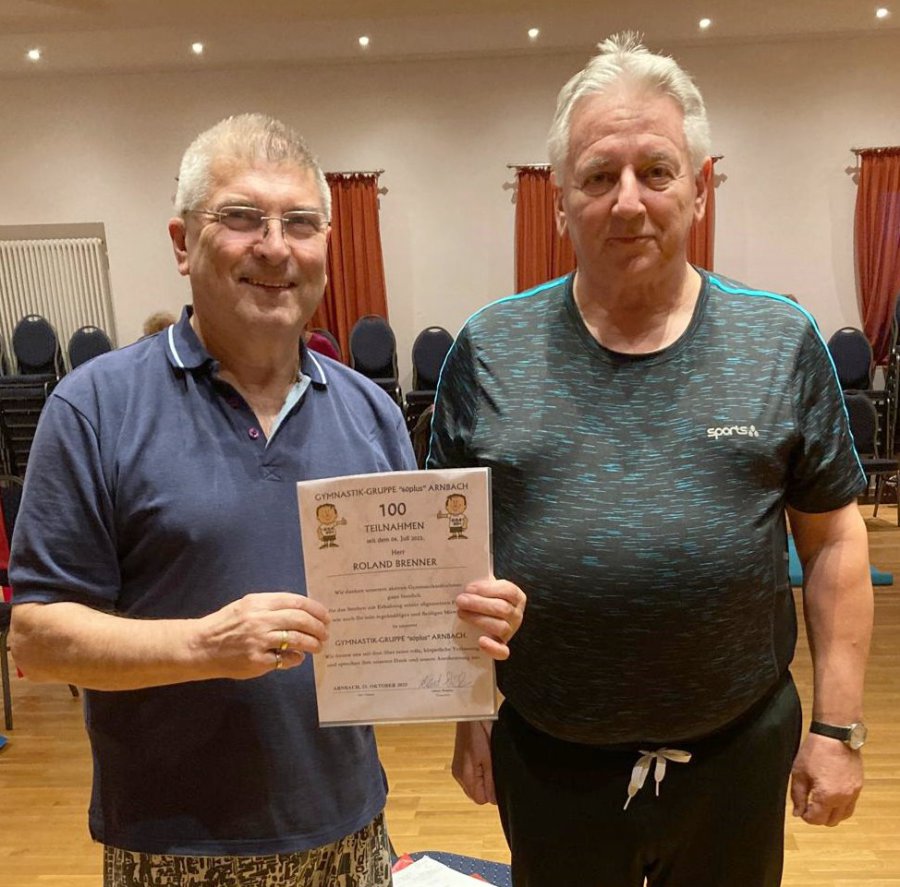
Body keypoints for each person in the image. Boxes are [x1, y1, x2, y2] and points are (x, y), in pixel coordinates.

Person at [9, 113, 525, 887]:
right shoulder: (92, 407)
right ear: (183, 242)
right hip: (173, 848)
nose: (276, 247)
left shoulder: (371, 411)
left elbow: (415, 602)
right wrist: (205, 645)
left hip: (348, 826)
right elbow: (38, 638)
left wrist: (471, 648)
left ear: (326, 246)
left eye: (301, 223)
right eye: (243, 217)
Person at [428, 33, 873, 887]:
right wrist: (465, 705)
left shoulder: (779, 340)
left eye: (656, 171)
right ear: (560, 202)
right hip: (550, 758)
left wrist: (837, 728)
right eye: (598, 176)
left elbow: (834, 542)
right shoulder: (488, 349)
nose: (627, 201)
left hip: (737, 753)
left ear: (699, 188)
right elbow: (450, 554)